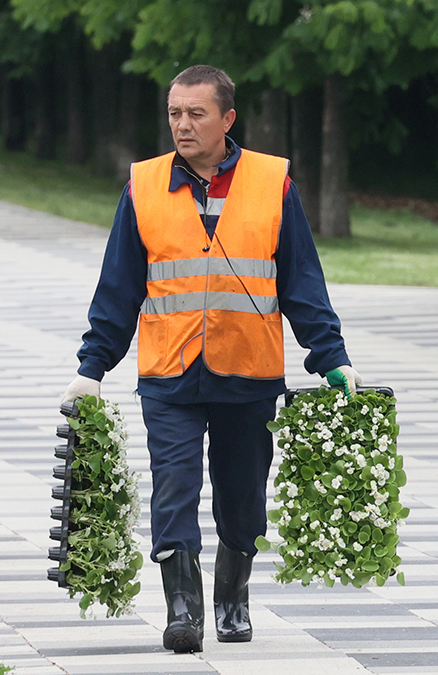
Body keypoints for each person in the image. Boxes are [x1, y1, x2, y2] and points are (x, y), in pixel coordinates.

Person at [60, 64, 362, 654]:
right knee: (174, 487)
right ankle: (183, 607)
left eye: (196, 113)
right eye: (175, 113)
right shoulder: (143, 187)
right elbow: (119, 288)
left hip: (248, 372)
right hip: (169, 373)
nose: (183, 124)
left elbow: (301, 280)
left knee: (242, 494)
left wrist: (332, 357)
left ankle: (232, 594)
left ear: (227, 118)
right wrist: (91, 368)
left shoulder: (272, 183)